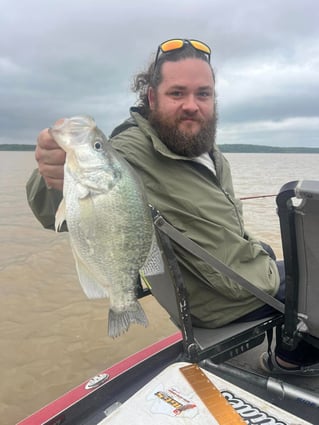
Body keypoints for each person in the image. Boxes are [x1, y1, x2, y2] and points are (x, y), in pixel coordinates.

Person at [26, 38, 319, 375]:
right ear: (152, 97)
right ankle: (289, 360)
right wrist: (53, 173)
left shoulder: (206, 149)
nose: (192, 105)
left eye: (203, 94)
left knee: (287, 258)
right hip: (233, 299)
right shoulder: (128, 151)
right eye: (177, 93)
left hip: (244, 272)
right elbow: (57, 210)